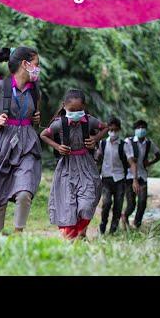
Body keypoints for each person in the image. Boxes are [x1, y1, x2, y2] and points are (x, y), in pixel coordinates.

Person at [0, 47, 42, 234]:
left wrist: (36, 119)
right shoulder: (0, 87)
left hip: (28, 143)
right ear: (24, 64)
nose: (38, 69)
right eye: (36, 64)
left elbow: (36, 113)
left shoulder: (35, 89)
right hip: (2, 143)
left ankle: (18, 233)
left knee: (25, 192)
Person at [40, 89, 108, 240]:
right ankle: (73, 236)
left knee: (87, 202)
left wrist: (95, 138)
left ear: (84, 107)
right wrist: (57, 147)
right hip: (67, 167)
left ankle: (80, 231)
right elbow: (43, 134)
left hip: (87, 166)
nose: (76, 113)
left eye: (79, 110)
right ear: (64, 106)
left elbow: (105, 127)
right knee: (67, 203)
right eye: (72, 110)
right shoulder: (59, 124)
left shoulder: (89, 121)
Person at [95, 116, 136, 234]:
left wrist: (134, 179)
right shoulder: (103, 144)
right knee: (106, 203)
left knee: (118, 206)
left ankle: (113, 229)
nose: (113, 132)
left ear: (119, 130)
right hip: (106, 178)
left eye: (115, 130)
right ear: (108, 130)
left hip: (120, 179)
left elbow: (131, 162)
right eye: (111, 130)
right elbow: (97, 158)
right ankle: (103, 225)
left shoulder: (124, 145)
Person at [122, 119, 160, 229]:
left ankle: (137, 223)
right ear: (135, 130)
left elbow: (158, 155)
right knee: (131, 204)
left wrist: (149, 162)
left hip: (142, 175)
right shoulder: (128, 141)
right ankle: (125, 216)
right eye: (138, 128)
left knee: (143, 201)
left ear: (146, 129)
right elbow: (128, 159)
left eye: (142, 128)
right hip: (129, 176)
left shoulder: (148, 143)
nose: (140, 130)